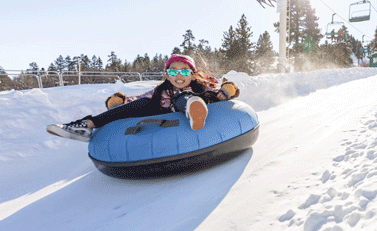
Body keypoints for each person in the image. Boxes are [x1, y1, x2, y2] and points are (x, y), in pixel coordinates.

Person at [47, 54, 240, 142]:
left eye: (184, 71)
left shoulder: (201, 86)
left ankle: (194, 109)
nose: (178, 75)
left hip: (189, 104)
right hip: (163, 113)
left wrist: (227, 90)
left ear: (192, 73)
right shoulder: (161, 90)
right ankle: (85, 126)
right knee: (147, 102)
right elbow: (140, 99)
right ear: (167, 74)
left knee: (184, 97)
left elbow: (219, 91)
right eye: (173, 71)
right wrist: (122, 102)